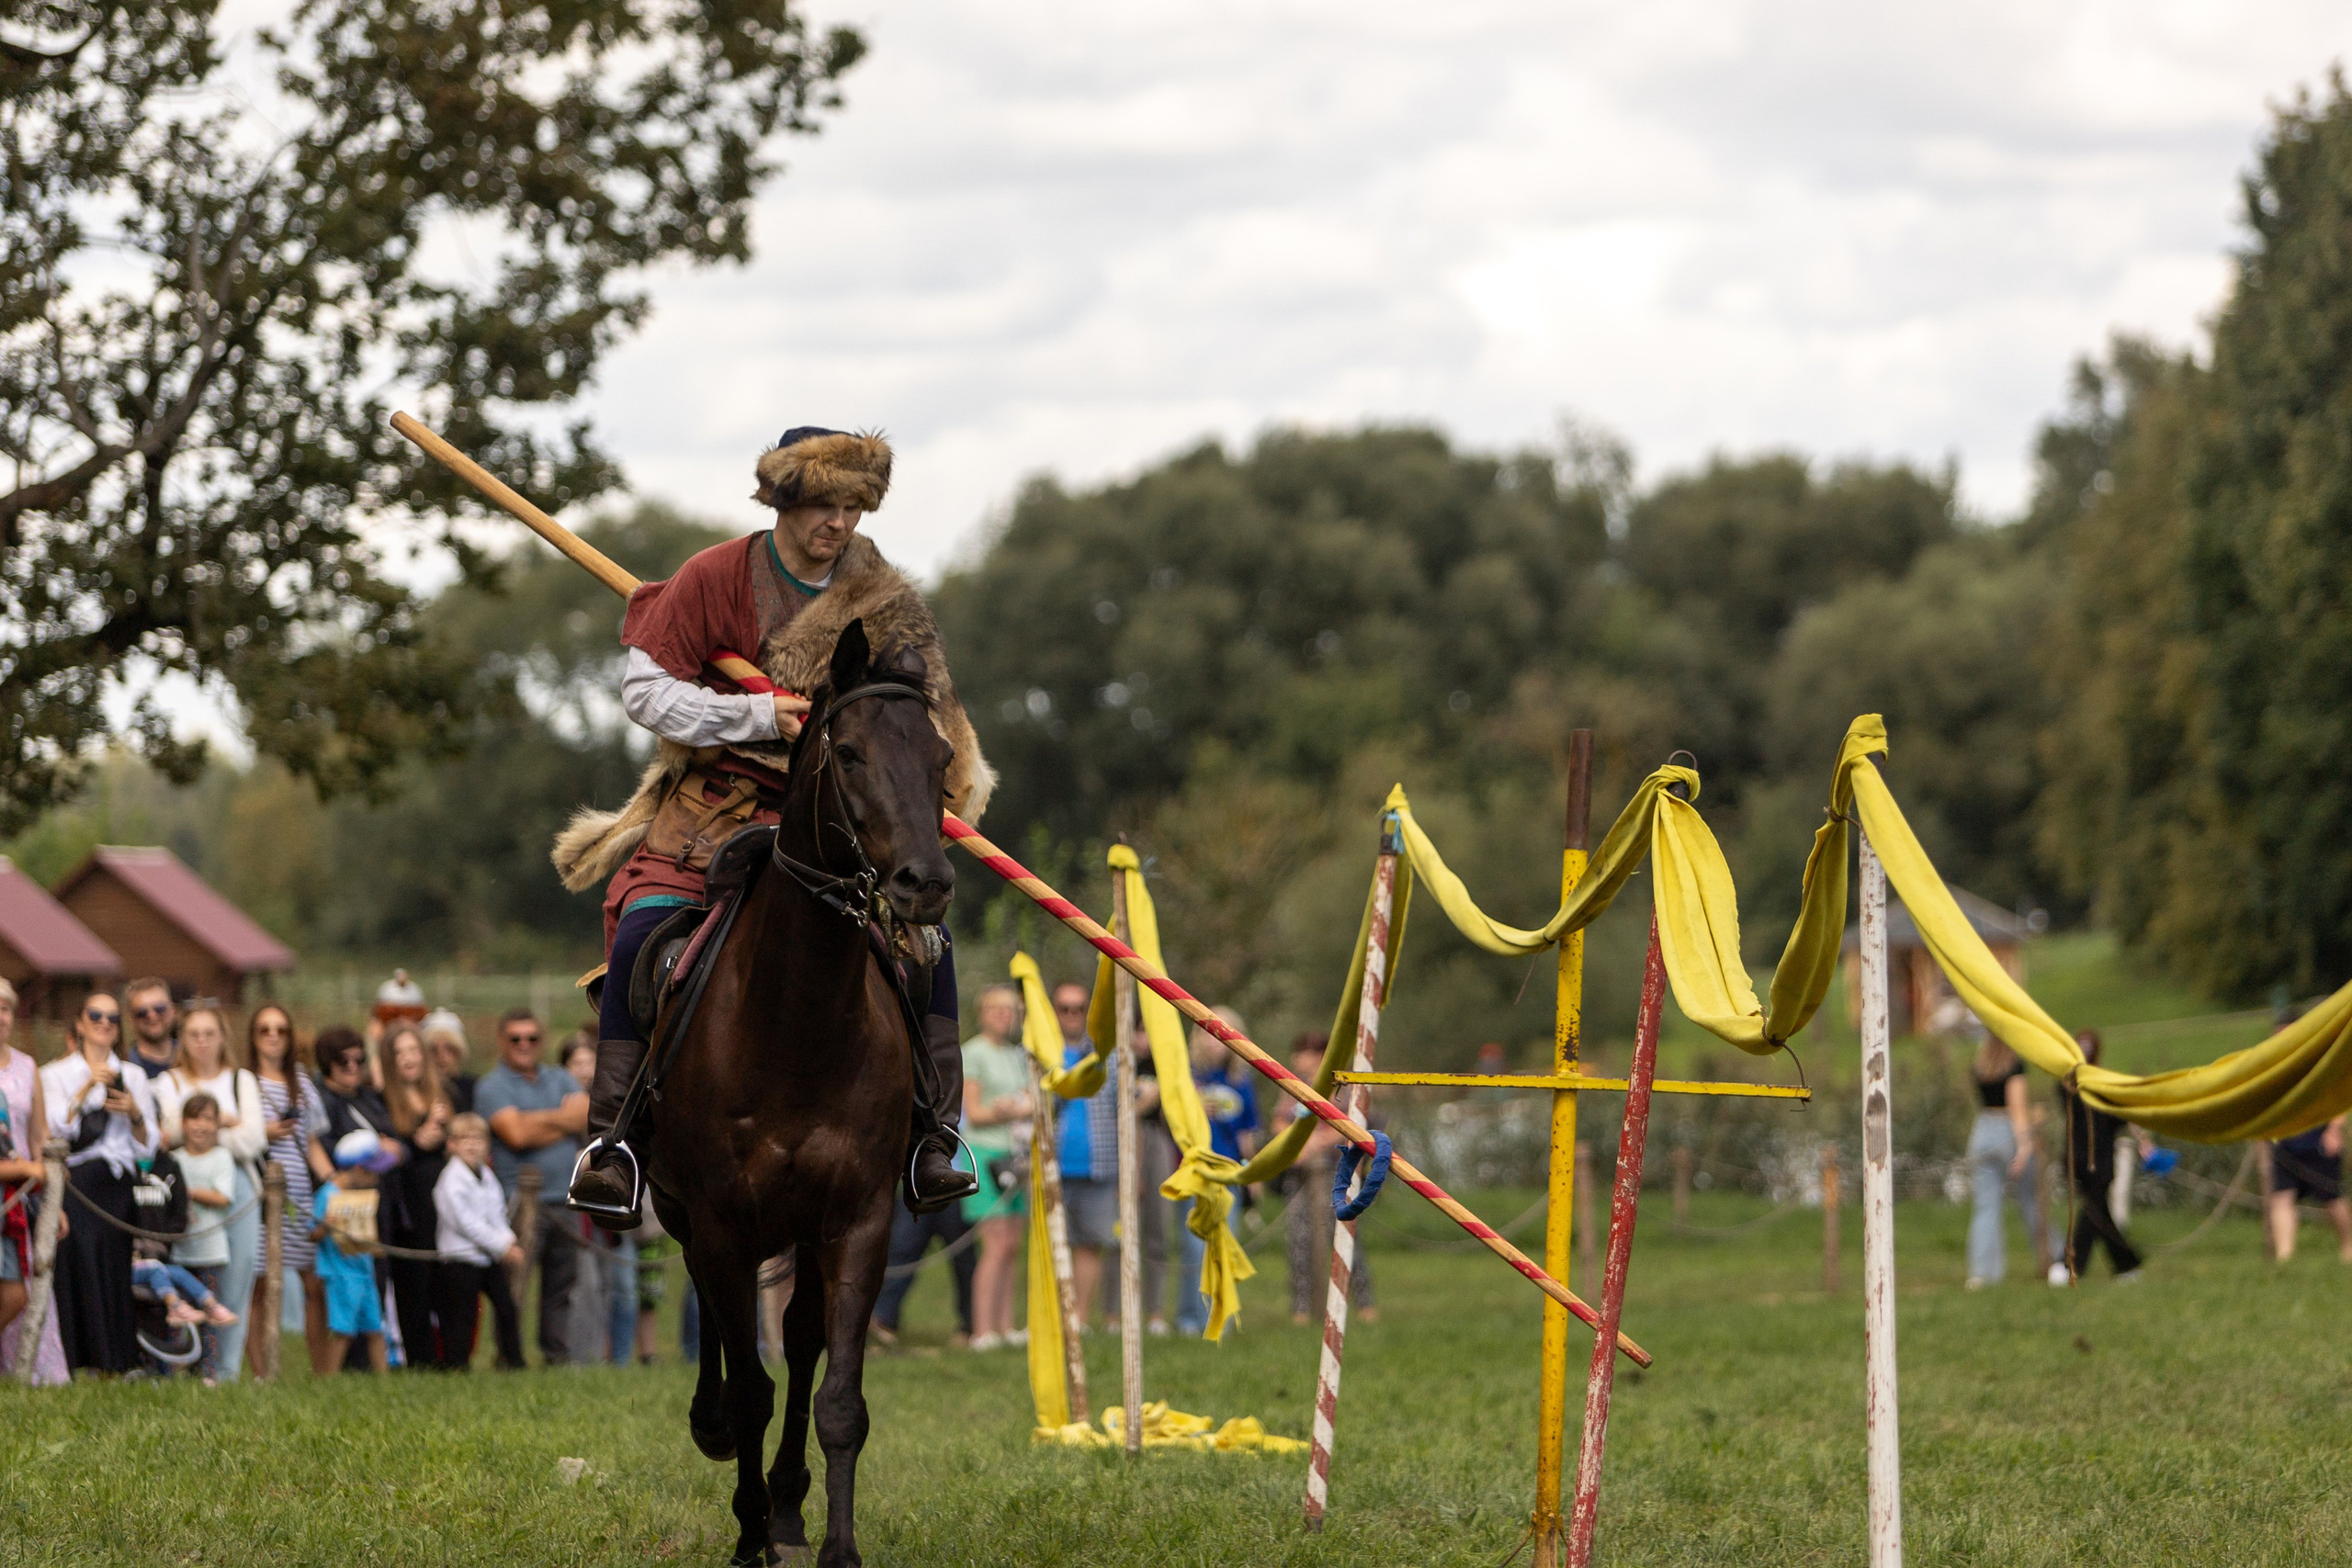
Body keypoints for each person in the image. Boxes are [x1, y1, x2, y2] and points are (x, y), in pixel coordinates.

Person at [560, 426, 978, 1225]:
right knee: (640, 934)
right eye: (825, 504)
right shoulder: (714, 576)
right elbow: (645, 691)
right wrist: (755, 716)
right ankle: (615, 1144)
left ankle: (934, 1138)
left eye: (854, 507)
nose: (839, 523)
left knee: (931, 945)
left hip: (838, 823)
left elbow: (911, 712)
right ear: (783, 501)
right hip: (714, 807)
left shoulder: (882, 598)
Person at [40, 991, 159, 1373]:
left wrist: (134, 1111)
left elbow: (148, 1145)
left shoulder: (134, 1075)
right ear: (79, 1023)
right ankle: (77, 1358)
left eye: (112, 1017)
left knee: (114, 1267)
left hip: (117, 1183)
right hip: (77, 1182)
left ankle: (116, 1359)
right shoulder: (55, 1074)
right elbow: (54, 1131)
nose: (104, 1023)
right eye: (96, 1015)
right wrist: (87, 1086)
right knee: (77, 1264)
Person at [152, 1003, 266, 1380]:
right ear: (182, 1039)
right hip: (184, 1188)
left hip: (238, 1186)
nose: (202, 1041)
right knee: (185, 1278)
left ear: (222, 1037)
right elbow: (165, 1135)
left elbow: (253, 1139)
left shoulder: (241, 1080)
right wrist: (224, 1124)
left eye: (209, 1033)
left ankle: (223, 1370)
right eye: (193, 1034)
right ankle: (180, 1361)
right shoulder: (168, 1081)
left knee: (236, 1276)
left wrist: (196, 1129)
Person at [476, 1009, 586, 1364]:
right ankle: (509, 1358)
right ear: (501, 1041)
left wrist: (533, 1121)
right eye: (515, 1039)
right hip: (521, 1202)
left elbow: (585, 1115)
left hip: (566, 1199)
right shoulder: (492, 1086)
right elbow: (516, 1134)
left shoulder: (560, 1077)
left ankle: (556, 1355)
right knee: (514, 1286)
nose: (524, 1045)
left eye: (532, 1038)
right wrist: (563, 1120)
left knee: (561, 1286)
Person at [248, 1004, 335, 1375]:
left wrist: (333, 1183)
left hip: (300, 1194)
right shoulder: (244, 1081)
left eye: (281, 1030)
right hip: (260, 1194)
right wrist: (263, 1132)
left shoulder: (301, 1082)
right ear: (253, 1036)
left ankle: (322, 1372)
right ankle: (262, 1372)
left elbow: (312, 1142)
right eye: (265, 1029)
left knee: (314, 1283)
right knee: (258, 1286)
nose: (273, 1036)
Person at [1283, 1032, 1377, 1325]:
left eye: (1303, 1052)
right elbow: (1279, 1120)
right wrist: (1296, 1144)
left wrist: (1312, 1143)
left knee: (1346, 1236)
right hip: (1301, 1175)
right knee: (1299, 1240)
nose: (1296, 1058)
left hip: (1338, 1174)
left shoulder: (1341, 1086)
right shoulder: (1291, 1086)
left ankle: (1364, 1306)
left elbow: (1351, 1123)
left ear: (1320, 1055)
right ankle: (1301, 1310)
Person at [1177, 1006, 1260, 1337]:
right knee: (1194, 1247)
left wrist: (1253, 1176)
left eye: (1224, 1034)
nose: (1215, 1041)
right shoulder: (1187, 1076)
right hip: (1195, 1171)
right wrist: (1193, 1105)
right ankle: (1189, 1319)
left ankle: (1218, 1320)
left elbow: (1246, 1134)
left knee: (1224, 1245)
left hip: (1230, 1174)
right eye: (1209, 1034)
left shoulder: (1242, 1082)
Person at [961, 983, 1032, 1350]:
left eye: (1010, 1009)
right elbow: (974, 1113)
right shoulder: (972, 1052)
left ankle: (1005, 1326)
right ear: (983, 1014)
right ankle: (982, 1329)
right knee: (994, 1242)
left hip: (1015, 1153)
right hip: (984, 1153)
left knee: (1012, 1244)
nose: (1004, 1015)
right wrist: (1008, 1109)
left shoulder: (1016, 1054)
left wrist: (1020, 1106)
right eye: (996, 1008)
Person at [1048, 981, 1119, 1330]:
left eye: (1079, 1008)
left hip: (1099, 1165)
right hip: (1051, 1166)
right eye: (1065, 1008)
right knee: (1053, 1246)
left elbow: (1124, 1107)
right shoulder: (1040, 1052)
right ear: (1055, 1012)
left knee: (1090, 1244)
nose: (1072, 1015)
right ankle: (1053, 1320)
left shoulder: (1107, 1055)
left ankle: (1079, 1320)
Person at [382, 1022, 453, 1368]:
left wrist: (446, 1135)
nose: (409, 1058)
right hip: (408, 1206)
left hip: (444, 1203)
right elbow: (390, 1151)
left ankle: (451, 1358)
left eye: (413, 1050)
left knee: (447, 1282)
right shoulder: (383, 1101)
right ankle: (418, 1360)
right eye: (399, 1053)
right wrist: (417, 1139)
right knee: (414, 1284)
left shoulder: (443, 1095)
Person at [434, 1112, 525, 1370]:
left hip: (487, 1257)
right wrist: (501, 1246)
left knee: (506, 1308)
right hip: (460, 1258)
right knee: (463, 1316)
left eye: (478, 1139)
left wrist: (507, 1240)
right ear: (451, 1144)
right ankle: (457, 1366)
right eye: (464, 1139)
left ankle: (514, 1362)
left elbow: (497, 1213)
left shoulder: (486, 1175)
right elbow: (466, 1224)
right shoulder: (450, 1180)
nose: (472, 1145)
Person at [2052, 1032, 2145, 1281]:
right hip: (2083, 1160)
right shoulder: (2073, 1086)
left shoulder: (2100, 1085)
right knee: (2097, 1214)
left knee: (2094, 1213)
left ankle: (2074, 1265)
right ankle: (2124, 1264)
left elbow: (2119, 1117)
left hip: (2095, 1161)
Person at [168, 1092, 243, 1379]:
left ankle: (208, 1372)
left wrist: (186, 1193)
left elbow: (223, 1197)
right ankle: (174, 1369)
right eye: (194, 1118)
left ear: (217, 1125)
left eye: (208, 1119)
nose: (200, 1125)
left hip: (210, 1251)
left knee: (210, 1315)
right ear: (183, 1124)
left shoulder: (222, 1157)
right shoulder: (173, 1159)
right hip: (178, 1252)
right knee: (178, 1313)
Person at [1965, 1037, 2045, 1288]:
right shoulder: (2013, 1065)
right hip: (2007, 1132)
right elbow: (2016, 1108)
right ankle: (2053, 1257)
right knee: (2031, 1200)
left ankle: (1982, 1273)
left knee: (1985, 1208)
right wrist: (2024, 1146)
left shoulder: (1981, 1062)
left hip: (1982, 1130)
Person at [311, 1130, 391, 1374]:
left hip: (364, 1271)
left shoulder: (358, 1196)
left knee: (375, 1328)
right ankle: (330, 1378)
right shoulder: (327, 1195)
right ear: (358, 1169)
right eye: (373, 1172)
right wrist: (325, 1225)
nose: (376, 1178)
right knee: (342, 1330)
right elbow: (311, 1234)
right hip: (340, 1273)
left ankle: (385, 1379)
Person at [0, 978, 51, 1349]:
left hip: (14, 1198)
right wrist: (26, 1170)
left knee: (16, 1294)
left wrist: (48, 1197)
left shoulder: (26, 1065)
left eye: (4, 1009)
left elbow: (38, 1137)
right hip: (15, 1178)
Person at [2267, 1111, 2352, 1264]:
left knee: (2332, 1200)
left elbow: (2338, 1103)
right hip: (2287, 1143)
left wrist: (2334, 1131)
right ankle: (2284, 1258)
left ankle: (2348, 1248)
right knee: (2281, 1198)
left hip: (2320, 1142)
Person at [121, 977, 179, 1082]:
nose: (152, 1016)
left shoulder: (195, 1056)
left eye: (159, 1009)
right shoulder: (124, 1069)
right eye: (142, 1012)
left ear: (172, 1010)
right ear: (131, 1019)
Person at [423, 1010, 475, 1113]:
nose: (441, 1056)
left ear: (459, 1052)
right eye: (434, 1050)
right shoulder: (418, 1089)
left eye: (449, 1049)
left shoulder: (473, 1088)